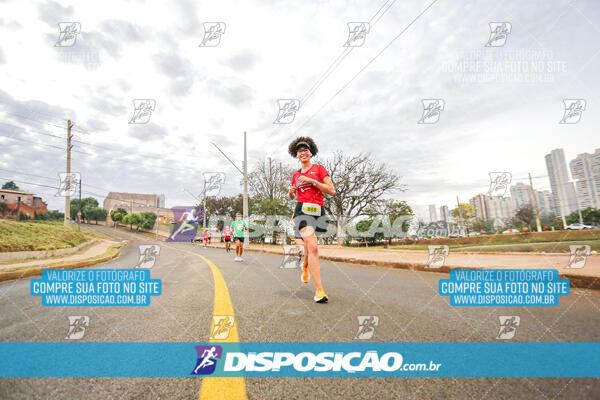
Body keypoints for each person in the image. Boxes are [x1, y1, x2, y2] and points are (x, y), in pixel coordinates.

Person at [288, 136, 335, 303]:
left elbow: (331, 190)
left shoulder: (320, 169)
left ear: (311, 152)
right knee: (313, 247)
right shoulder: (295, 175)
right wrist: (291, 191)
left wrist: (312, 180)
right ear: (296, 155)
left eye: (305, 150)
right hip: (302, 211)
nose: (303, 153)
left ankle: (305, 266)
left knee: (310, 248)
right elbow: (293, 195)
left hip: (318, 211)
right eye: (300, 151)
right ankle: (320, 290)